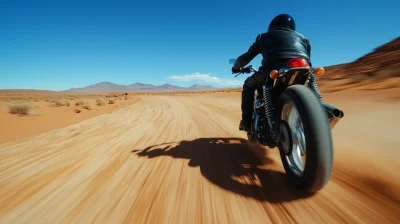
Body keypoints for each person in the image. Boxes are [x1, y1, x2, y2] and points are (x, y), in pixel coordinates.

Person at [231, 14, 312, 132]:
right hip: (302, 69)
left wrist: (236, 68)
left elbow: (247, 57)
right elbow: (308, 57)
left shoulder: (264, 37)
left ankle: (246, 123)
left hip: (271, 71)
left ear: (273, 25)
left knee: (247, 86)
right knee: (310, 80)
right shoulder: (303, 39)